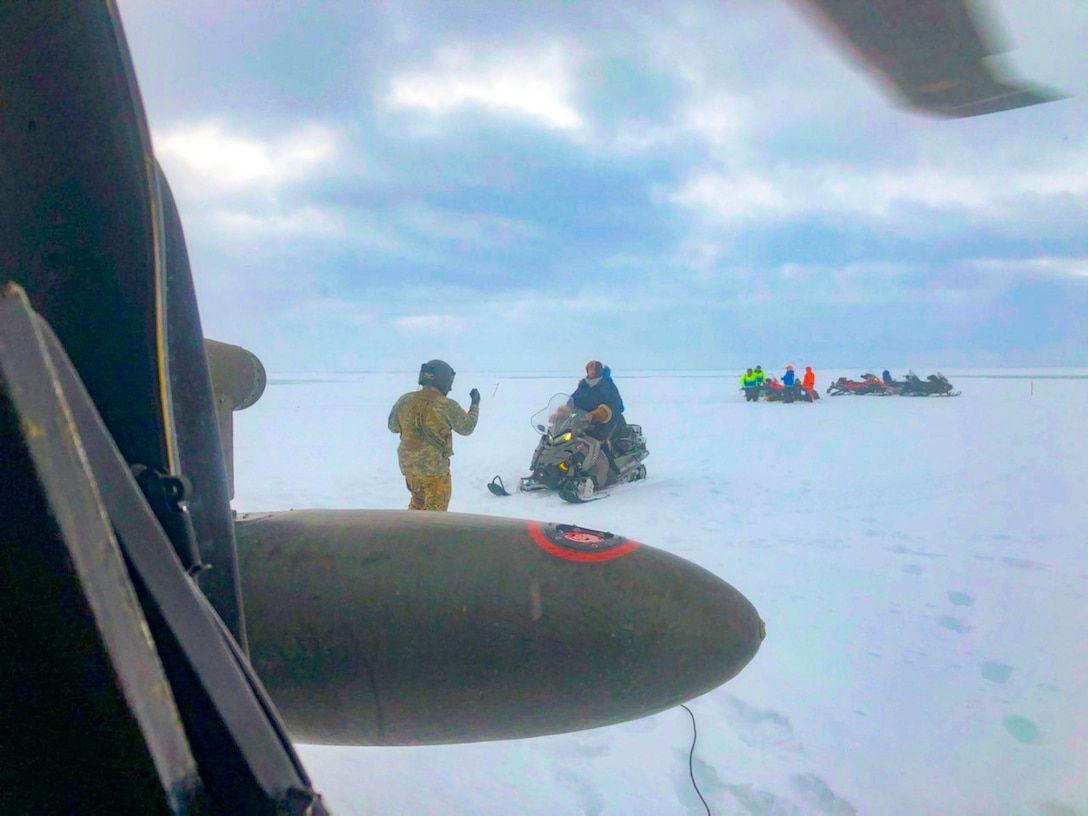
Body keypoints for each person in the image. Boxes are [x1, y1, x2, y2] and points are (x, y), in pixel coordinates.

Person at [388, 359, 479, 511]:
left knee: (417, 503)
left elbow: (393, 427)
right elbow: (467, 428)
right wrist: (475, 405)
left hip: (409, 467)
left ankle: (410, 533)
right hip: (434, 469)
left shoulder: (404, 400)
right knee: (435, 517)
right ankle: (427, 535)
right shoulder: (447, 405)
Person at [571, 360, 625, 441]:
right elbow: (572, 401)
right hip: (584, 422)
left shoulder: (607, 385)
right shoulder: (583, 385)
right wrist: (561, 412)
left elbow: (615, 405)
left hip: (605, 423)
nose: (591, 372)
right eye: (589, 369)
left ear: (599, 371)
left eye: (594, 369)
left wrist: (597, 414)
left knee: (600, 440)